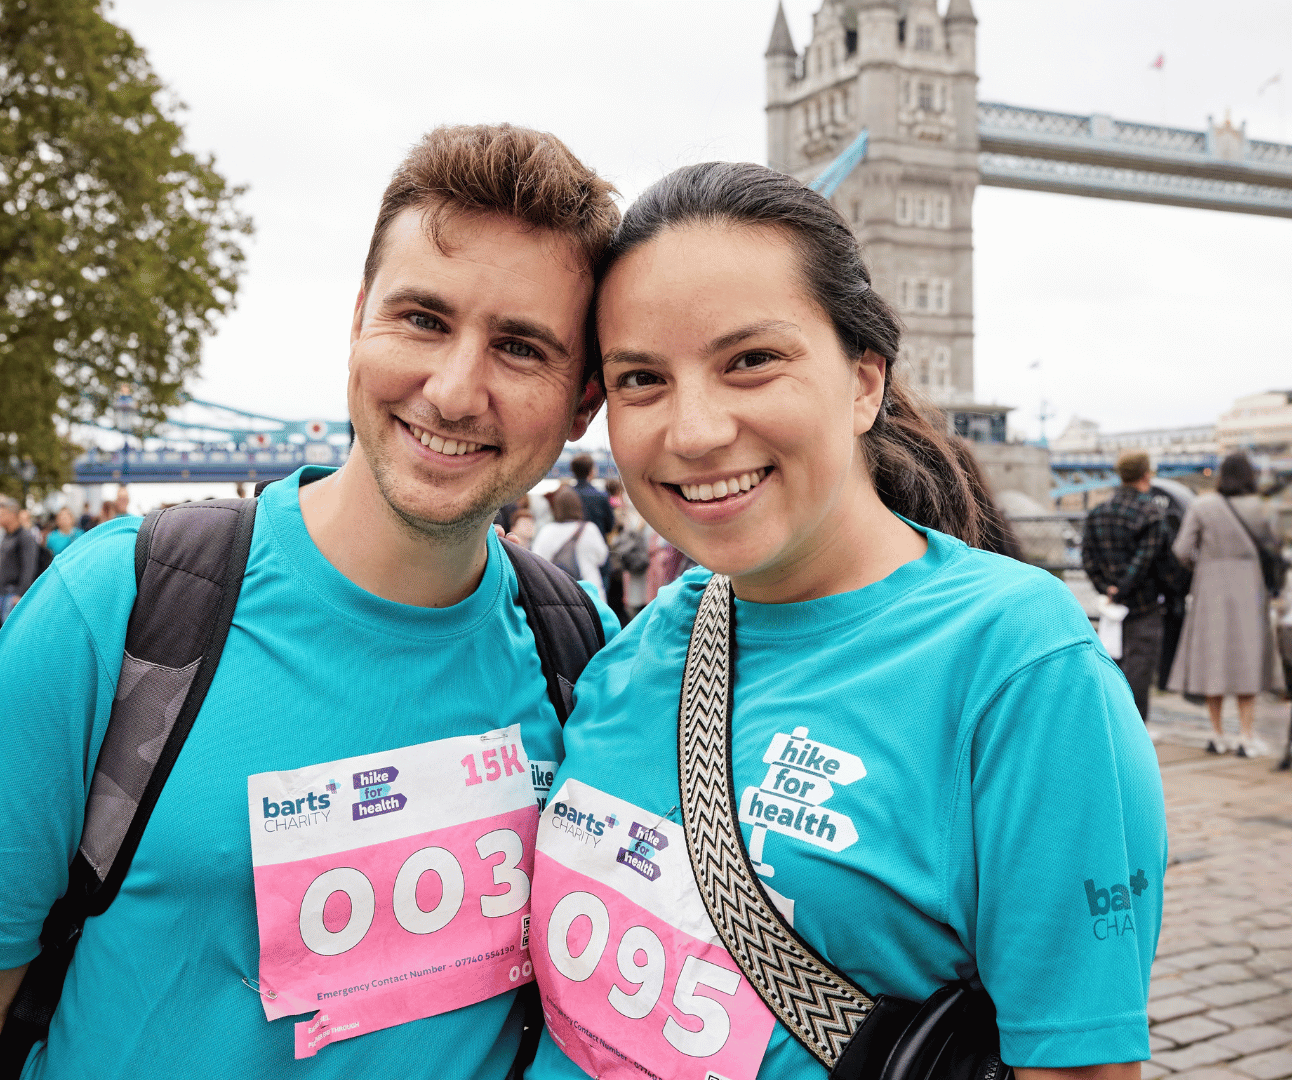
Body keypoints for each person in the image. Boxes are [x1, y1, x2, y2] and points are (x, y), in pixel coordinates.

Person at [0, 123, 620, 1079]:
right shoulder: (118, 611)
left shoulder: (583, 656)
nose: (455, 391)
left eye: (521, 347)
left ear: (584, 403)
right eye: (423, 319)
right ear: (359, 321)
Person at [525, 162, 1165, 1080]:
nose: (694, 431)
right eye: (641, 378)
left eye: (751, 360)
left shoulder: (1019, 669)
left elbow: (1078, 1065)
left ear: (864, 382)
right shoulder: (632, 655)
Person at [1167, 451, 1286, 757]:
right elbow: (1276, 548)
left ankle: (1216, 734)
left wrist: (1204, 563)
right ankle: (1246, 736)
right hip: (1250, 586)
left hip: (1210, 587)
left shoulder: (1202, 505)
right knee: (1248, 658)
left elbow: (1181, 550)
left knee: (1213, 658)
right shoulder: (1262, 508)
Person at [1081, 450, 1172, 723]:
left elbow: (1088, 558)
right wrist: (1122, 589)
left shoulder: (1098, 513)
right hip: (1144, 607)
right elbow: (1144, 562)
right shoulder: (1152, 513)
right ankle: (1136, 735)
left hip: (1110, 611)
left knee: (1111, 672)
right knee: (1139, 677)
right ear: (1146, 475)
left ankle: (1112, 730)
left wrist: (1107, 589)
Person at [531, 487, 609, 602]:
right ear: (578, 506)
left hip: (557, 596)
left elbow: (536, 562)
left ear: (556, 507)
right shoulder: (589, 529)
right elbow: (602, 558)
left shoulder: (546, 531)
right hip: (590, 594)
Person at [0, 497, 42, 624]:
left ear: (12, 515)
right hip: (3, 594)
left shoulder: (25, 537)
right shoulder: (7, 535)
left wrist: (20, 595)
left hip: (13, 596)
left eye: (2, 514)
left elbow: (29, 568)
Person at [568, 453, 614, 542]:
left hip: (572, 544)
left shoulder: (567, 495)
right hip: (597, 543)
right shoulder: (601, 496)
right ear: (591, 471)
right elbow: (609, 526)